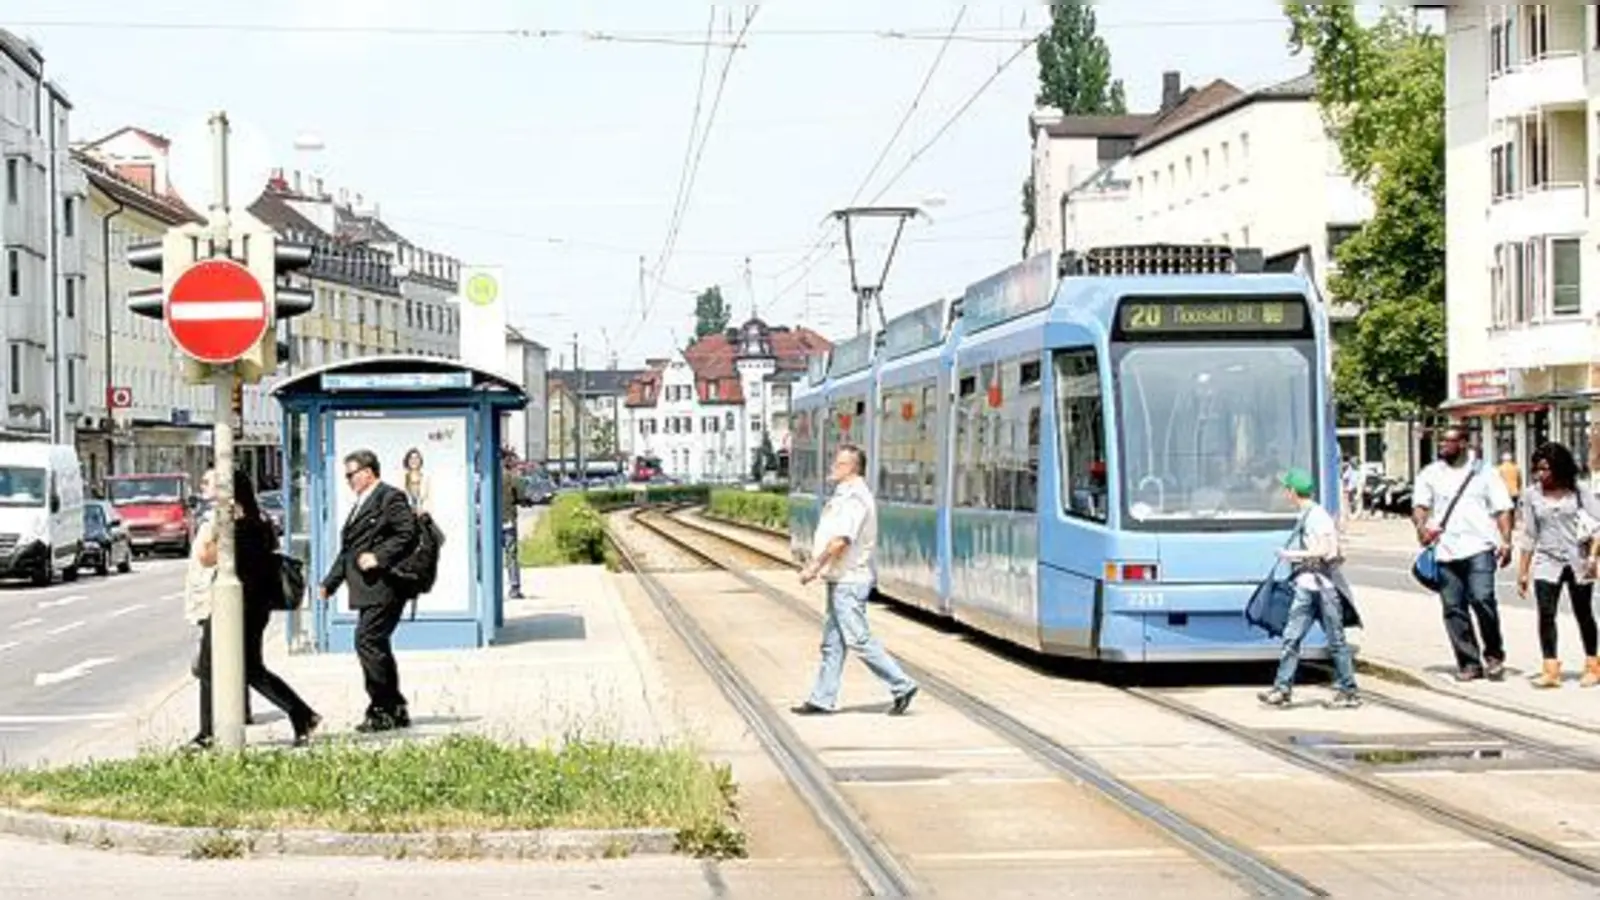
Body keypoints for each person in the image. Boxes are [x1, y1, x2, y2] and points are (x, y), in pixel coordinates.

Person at [187, 467, 321, 749]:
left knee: (210, 666)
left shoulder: (236, 526)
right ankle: (302, 714)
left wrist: (214, 527)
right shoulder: (259, 522)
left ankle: (208, 733)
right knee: (251, 669)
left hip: (234, 607)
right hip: (255, 607)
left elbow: (206, 557)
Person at [791, 443, 918, 717]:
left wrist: (814, 567)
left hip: (850, 580)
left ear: (851, 468)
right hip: (840, 578)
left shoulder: (855, 499)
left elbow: (841, 541)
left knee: (858, 638)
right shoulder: (845, 495)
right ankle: (822, 698)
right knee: (832, 642)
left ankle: (901, 684)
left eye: (838, 464)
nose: (832, 467)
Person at [320, 449, 420, 732]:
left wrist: (379, 556)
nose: (348, 480)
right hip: (368, 588)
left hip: (385, 586)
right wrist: (330, 583)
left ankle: (382, 710)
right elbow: (349, 551)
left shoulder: (389, 497)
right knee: (376, 645)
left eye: (351, 474)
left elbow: (408, 533)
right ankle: (394, 708)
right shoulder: (361, 503)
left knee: (367, 641)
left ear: (367, 472)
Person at [1413, 426, 1515, 682]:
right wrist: (1421, 528)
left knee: (1482, 598)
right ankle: (1469, 662)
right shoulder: (1430, 473)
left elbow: (1503, 508)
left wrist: (1506, 541)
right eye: (1441, 442)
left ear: (1463, 444)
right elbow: (1420, 505)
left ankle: (1494, 655)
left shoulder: (1485, 472)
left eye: (1449, 441)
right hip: (1445, 550)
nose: (1443, 446)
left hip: (1480, 546)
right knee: (1453, 608)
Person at [1258, 469, 1361, 709]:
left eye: (1287, 489)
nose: (1285, 494)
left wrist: (1292, 555)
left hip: (1323, 589)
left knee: (1336, 641)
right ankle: (1282, 689)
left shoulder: (1318, 516)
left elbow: (1326, 550)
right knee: (1291, 638)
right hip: (1306, 586)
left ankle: (1349, 691)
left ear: (1293, 491)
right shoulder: (1307, 514)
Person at [1517, 442, 1600, 689]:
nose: (1540, 474)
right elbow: (1529, 534)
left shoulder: (1579, 490)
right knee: (1546, 613)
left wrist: (1593, 557)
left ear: (1559, 468)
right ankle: (1550, 668)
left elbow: (1597, 524)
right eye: (1537, 469)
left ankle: (1593, 664)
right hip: (1547, 560)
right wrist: (1523, 571)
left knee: (1583, 612)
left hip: (1579, 561)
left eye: (1546, 469)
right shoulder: (1531, 495)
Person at [502, 450, 526, 600]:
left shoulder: (486, 477)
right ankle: (514, 587)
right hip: (508, 521)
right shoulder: (512, 477)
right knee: (511, 555)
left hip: (490, 523)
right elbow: (522, 497)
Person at [402, 448, 430, 514]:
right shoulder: (402, 477)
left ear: (420, 461)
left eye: (416, 458)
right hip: (406, 513)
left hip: (421, 512)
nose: (414, 461)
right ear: (407, 461)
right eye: (411, 458)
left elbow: (428, 499)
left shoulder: (425, 478)